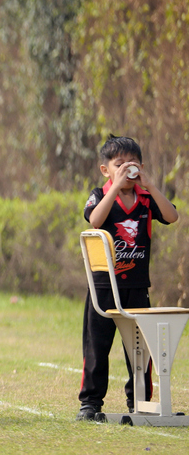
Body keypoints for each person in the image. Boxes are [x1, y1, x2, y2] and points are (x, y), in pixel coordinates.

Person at [77, 135, 179, 421]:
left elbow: (172, 217)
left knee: (139, 350)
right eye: (119, 165)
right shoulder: (99, 194)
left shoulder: (146, 200)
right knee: (97, 347)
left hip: (136, 287)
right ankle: (90, 403)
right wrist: (114, 189)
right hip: (103, 288)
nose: (126, 171)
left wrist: (151, 186)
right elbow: (95, 220)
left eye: (131, 165)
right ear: (105, 169)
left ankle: (139, 403)